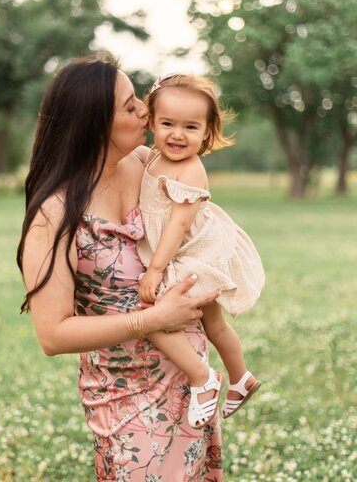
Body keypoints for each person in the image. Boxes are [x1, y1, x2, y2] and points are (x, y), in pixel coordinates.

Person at [17, 56, 224, 481]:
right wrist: (151, 318)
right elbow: (52, 334)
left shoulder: (149, 165)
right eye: (130, 107)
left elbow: (201, 230)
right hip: (125, 395)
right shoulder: (53, 214)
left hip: (190, 380)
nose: (146, 113)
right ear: (95, 124)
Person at [136, 73, 265, 428]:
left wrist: (156, 270)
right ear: (150, 121)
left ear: (206, 132)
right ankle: (241, 378)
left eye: (191, 127)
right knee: (213, 324)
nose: (178, 135)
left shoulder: (191, 171)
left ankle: (202, 378)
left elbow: (177, 226)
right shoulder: (151, 157)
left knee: (152, 317)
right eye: (167, 124)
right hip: (185, 250)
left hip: (191, 253)